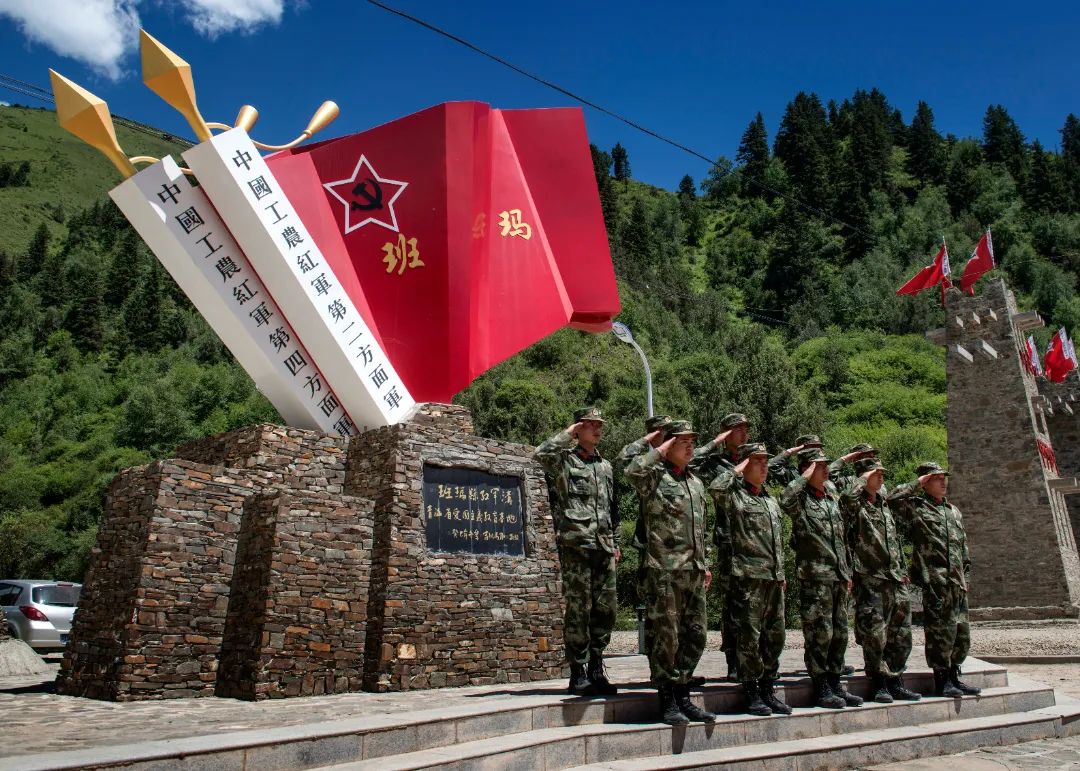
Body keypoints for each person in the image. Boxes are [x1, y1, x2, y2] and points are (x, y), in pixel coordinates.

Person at [625, 420, 716, 725]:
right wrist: (660, 448)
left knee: (697, 635)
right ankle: (667, 699)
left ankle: (683, 691)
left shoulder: (695, 482)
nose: (691, 446)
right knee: (667, 638)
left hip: (693, 570)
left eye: (693, 441)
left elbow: (702, 529)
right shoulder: (654, 478)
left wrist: (705, 564)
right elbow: (632, 471)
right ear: (669, 446)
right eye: (683, 442)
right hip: (664, 570)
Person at [534, 407, 619, 696]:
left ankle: (597, 667)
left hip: (603, 545)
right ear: (578, 429)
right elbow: (541, 454)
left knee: (605, 608)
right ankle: (578, 671)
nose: (597, 429)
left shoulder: (605, 466)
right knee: (579, 609)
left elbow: (612, 509)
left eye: (599, 425)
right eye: (590, 425)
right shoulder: (565, 461)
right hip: (576, 545)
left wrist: (615, 543)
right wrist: (567, 434)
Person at [709, 443, 791, 716]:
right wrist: (740, 467)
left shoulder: (769, 499)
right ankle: (752, 691)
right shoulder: (735, 497)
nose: (765, 467)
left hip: (772, 578)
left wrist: (781, 573)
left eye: (766, 462)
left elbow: (777, 541)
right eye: (758, 462)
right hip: (748, 579)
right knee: (749, 638)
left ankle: (768, 688)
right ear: (745, 466)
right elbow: (716, 488)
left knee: (774, 636)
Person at [887, 462, 981, 698]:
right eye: (936, 478)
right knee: (941, 633)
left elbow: (963, 548)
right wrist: (917, 483)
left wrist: (966, 576)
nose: (943, 481)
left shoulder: (953, 511)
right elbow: (892, 499)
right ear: (925, 482)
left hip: (956, 583)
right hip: (935, 582)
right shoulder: (917, 507)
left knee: (961, 634)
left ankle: (954, 677)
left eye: (943, 477)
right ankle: (941, 680)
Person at [781, 447, 862, 709]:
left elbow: (840, 540)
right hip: (815, 578)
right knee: (820, 634)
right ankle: (822, 686)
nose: (826, 470)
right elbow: (785, 498)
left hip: (837, 577)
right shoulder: (801, 500)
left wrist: (846, 572)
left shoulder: (830, 497)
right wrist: (804, 477)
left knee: (840, 633)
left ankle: (835, 682)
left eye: (827, 465)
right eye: (820, 466)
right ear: (807, 470)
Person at [840, 457, 921, 703]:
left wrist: (902, 570)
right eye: (876, 473)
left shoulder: (884, 506)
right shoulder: (856, 506)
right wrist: (862, 479)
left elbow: (894, 542)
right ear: (863, 477)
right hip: (871, 579)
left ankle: (895, 679)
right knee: (875, 634)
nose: (881, 476)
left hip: (895, 579)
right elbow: (846, 498)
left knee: (900, 634)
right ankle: (878, 683)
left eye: (882, 473)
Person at [690, 412, 749, 681]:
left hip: (754, 541)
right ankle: (733, 659)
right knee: (733, 604)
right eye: (737, 429)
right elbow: (691, 462)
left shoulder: (752, 459)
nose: (743, 433)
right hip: (729, 541)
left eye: (745, 429)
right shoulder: (715, 462)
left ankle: (752, 659)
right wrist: (716, 442)